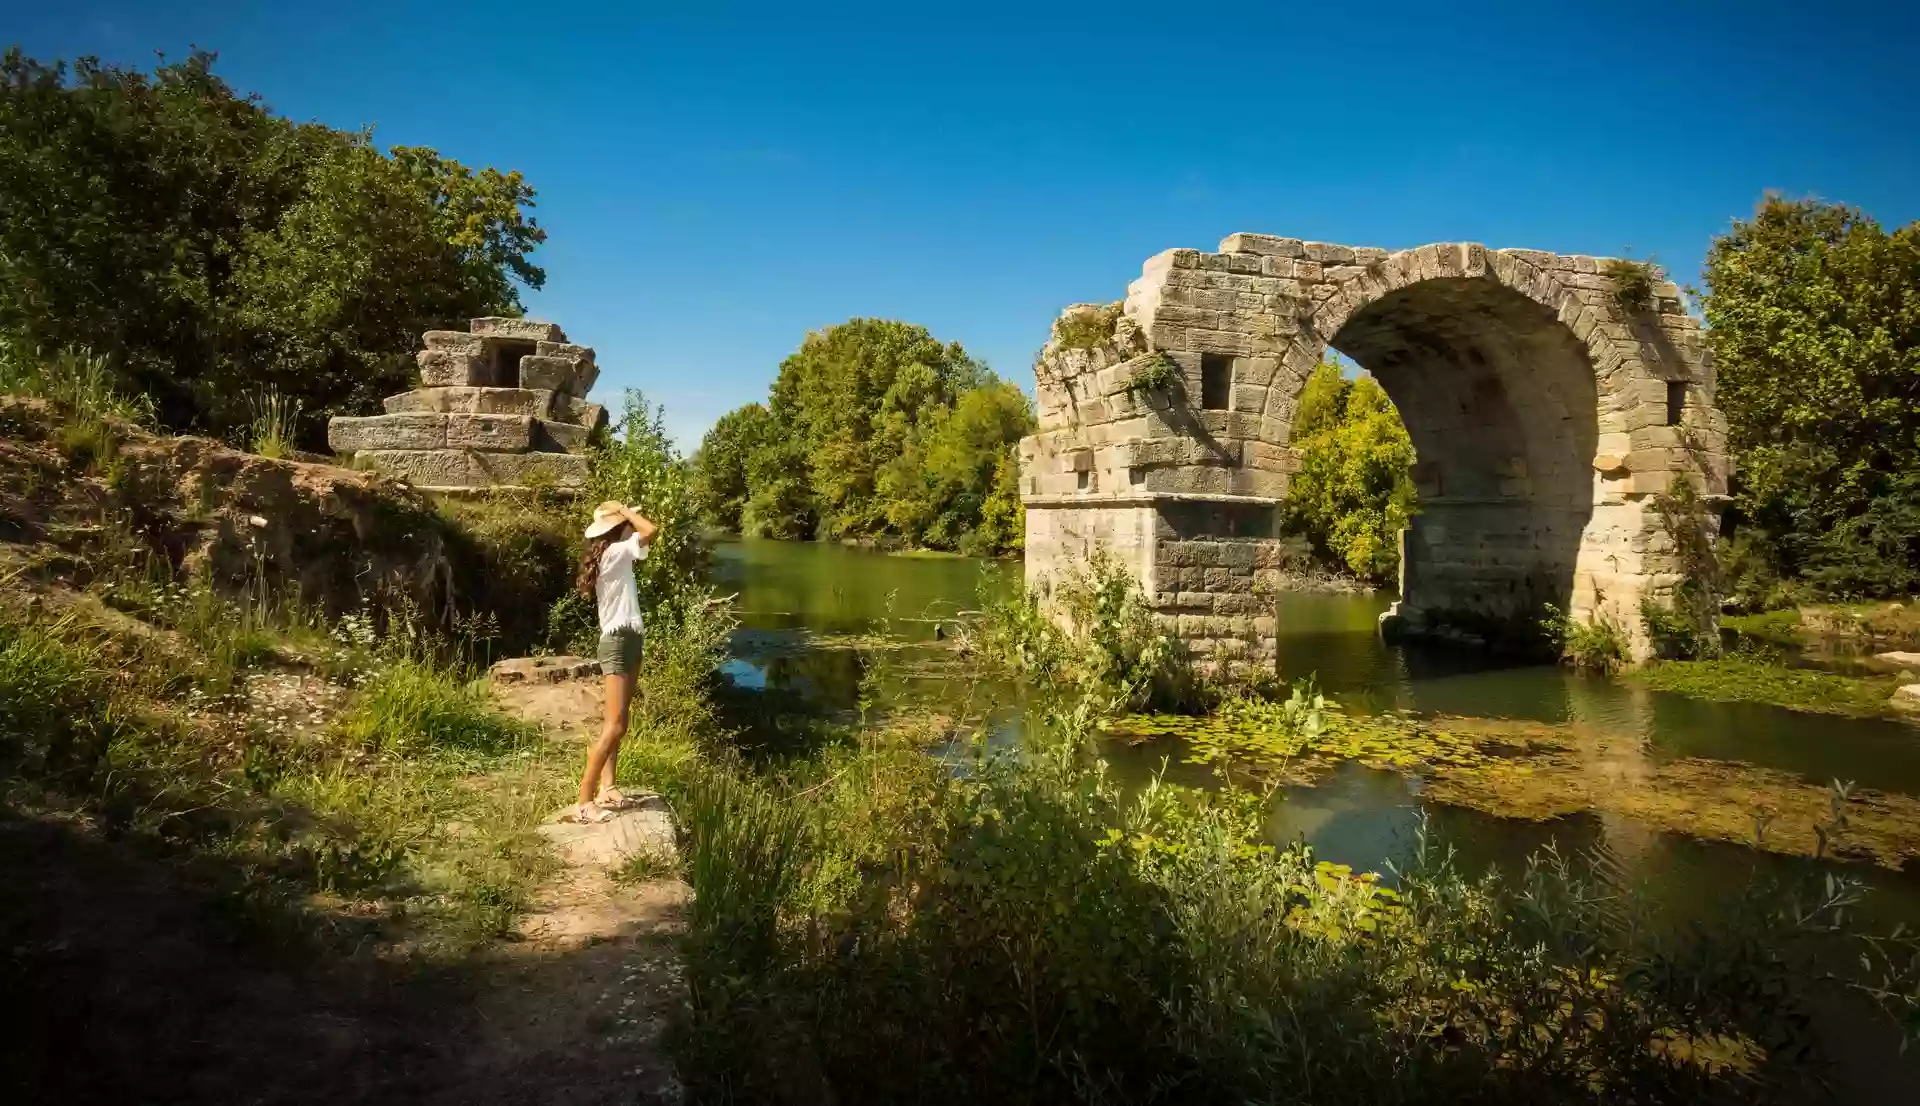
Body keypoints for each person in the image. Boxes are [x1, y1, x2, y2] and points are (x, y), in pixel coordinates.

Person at [568, 500, 658, 824]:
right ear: (618, 527)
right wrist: (625, 509)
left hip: (630, 638)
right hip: (618, 642)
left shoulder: (617, 554)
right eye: (626, 522)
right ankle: (584, 799)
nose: (632, 525)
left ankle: (608, 787)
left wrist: (623, 515)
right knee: (615, 726)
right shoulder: (616, 553)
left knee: (620, 723)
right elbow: (651, 530)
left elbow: (642, 534)